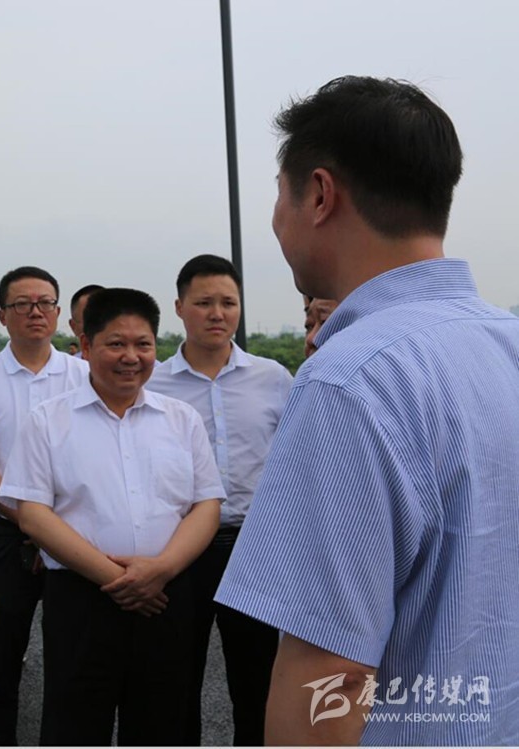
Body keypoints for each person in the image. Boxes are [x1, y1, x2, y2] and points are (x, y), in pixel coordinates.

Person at [215, 76, 519, 745]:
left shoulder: (350, 379)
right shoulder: (508, 344)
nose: (276, 218)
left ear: (320, 194)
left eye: (280, 192)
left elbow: (332, 679)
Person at [0, 287, 224, 746]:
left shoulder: (181, 419)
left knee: (164, 725)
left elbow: (206, 505)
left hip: (165, 596)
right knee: (75, 727)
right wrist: (118, 579)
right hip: (82, 599)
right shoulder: (48, 420)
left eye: (143, 344)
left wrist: (160, 571)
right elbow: (34, 516)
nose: (131, 357)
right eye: (116, 344)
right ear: (86, 346)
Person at [146, 255, 292, 745]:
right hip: (180, 551)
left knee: (256, 679)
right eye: (204, 302)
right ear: (179, 308)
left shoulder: (274, 379)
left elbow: (295, 460)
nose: (217, 313)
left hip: (253, 548)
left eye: (228, 302)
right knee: (176, 678)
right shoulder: (153, 384)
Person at [0, 266, 88, 745]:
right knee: (0, 662)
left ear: (58, 312)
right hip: (4, 535)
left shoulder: (82, 374)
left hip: (75, 536)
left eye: (45, 302)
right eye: (23, 304)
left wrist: (54, 531)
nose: (35, 312)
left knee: (74, 661)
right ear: (2, 315)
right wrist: (32, 522)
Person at [68, 284, 104, 357]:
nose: (101, 327)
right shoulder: (69, 363)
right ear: (73, 327)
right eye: (92, 321)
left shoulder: (127, 361)